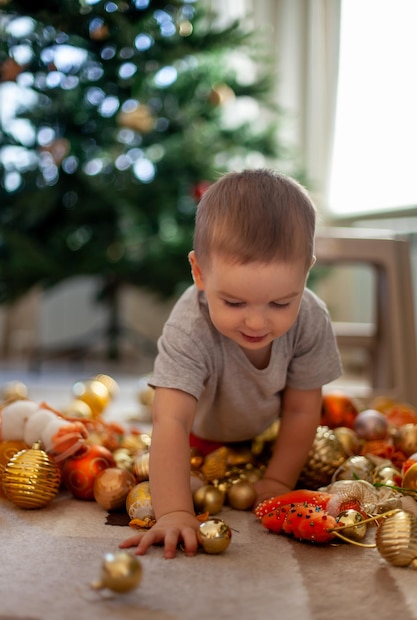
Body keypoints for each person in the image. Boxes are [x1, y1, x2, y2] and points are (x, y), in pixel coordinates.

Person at [120, 168, 342, 558]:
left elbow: (302, 409)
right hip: (199, 435)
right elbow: (171, 421)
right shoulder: (190, 326)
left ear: (306, 271)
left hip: (263, 431)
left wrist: (277, 479)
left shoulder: (311, 317)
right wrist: (173, 512)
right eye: (235, 303)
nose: (257, 322)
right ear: (199, 272)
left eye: (280, 303)